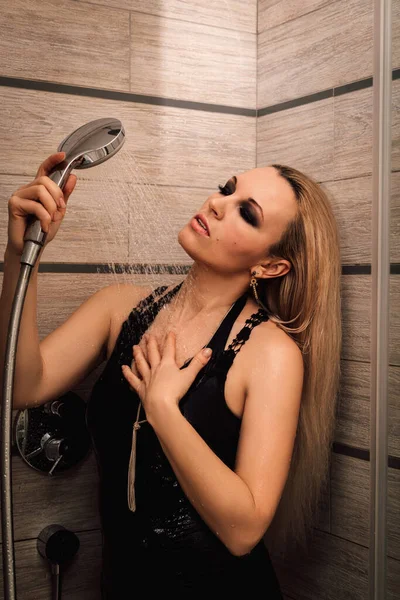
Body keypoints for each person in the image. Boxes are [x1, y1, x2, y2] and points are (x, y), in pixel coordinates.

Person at [0, 152, 342, 598]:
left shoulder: (269, 352)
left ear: (270, 266)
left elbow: (244, 531)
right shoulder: (119, 307)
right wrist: (22, 252)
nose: (218, 203)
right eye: (227, 188)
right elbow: (22, 385)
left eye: (247, 213)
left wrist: (164, 410)